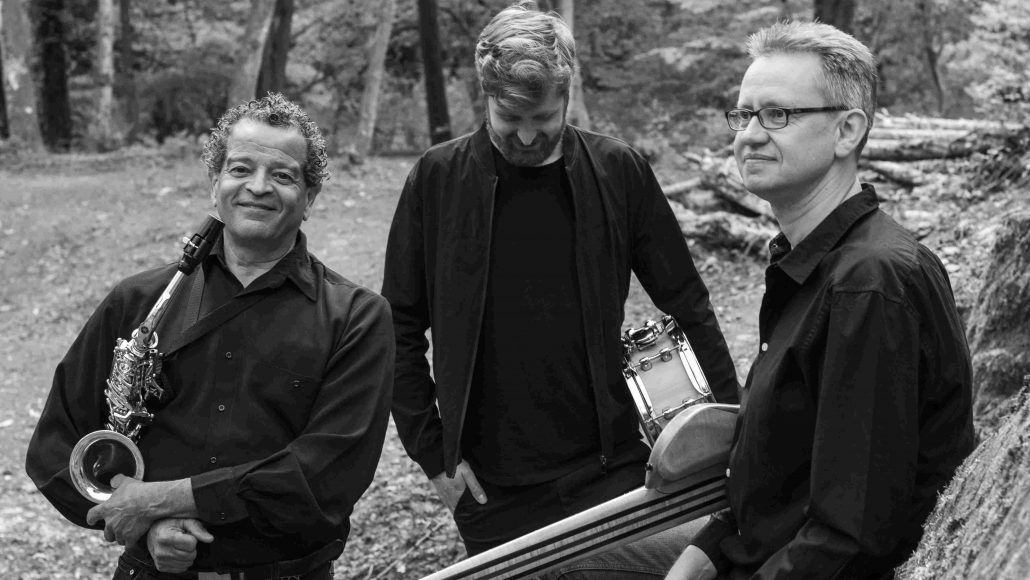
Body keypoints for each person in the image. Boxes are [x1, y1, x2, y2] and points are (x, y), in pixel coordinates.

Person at [381, 1, 739, 576]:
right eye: (509, 117)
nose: (526, 135)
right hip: (490, 489)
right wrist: (432, 454)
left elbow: (687, 303)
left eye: (542, 117)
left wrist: (735, 422)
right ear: (485, 97)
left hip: (613, 466)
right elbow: (397, 326)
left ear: (567, 93)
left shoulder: (618, 171)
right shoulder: (437, 178)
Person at [25, 93, 395, 580]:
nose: (258, 187)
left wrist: (162, 499)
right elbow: (54, 446)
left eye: (283, 176)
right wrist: (143, 526)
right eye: (240, 169)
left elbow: (325, 476)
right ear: (214, 183)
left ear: (310, 198)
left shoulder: (357, 318)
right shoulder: (136, 301)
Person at [666, 21, 976, 580]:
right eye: (744, 114)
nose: (749, 135)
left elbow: (850, 537)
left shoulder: (870, 284)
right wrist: (705, 553)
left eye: (777, 115)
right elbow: (779, 477)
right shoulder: (808, 264)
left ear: (847, 131)